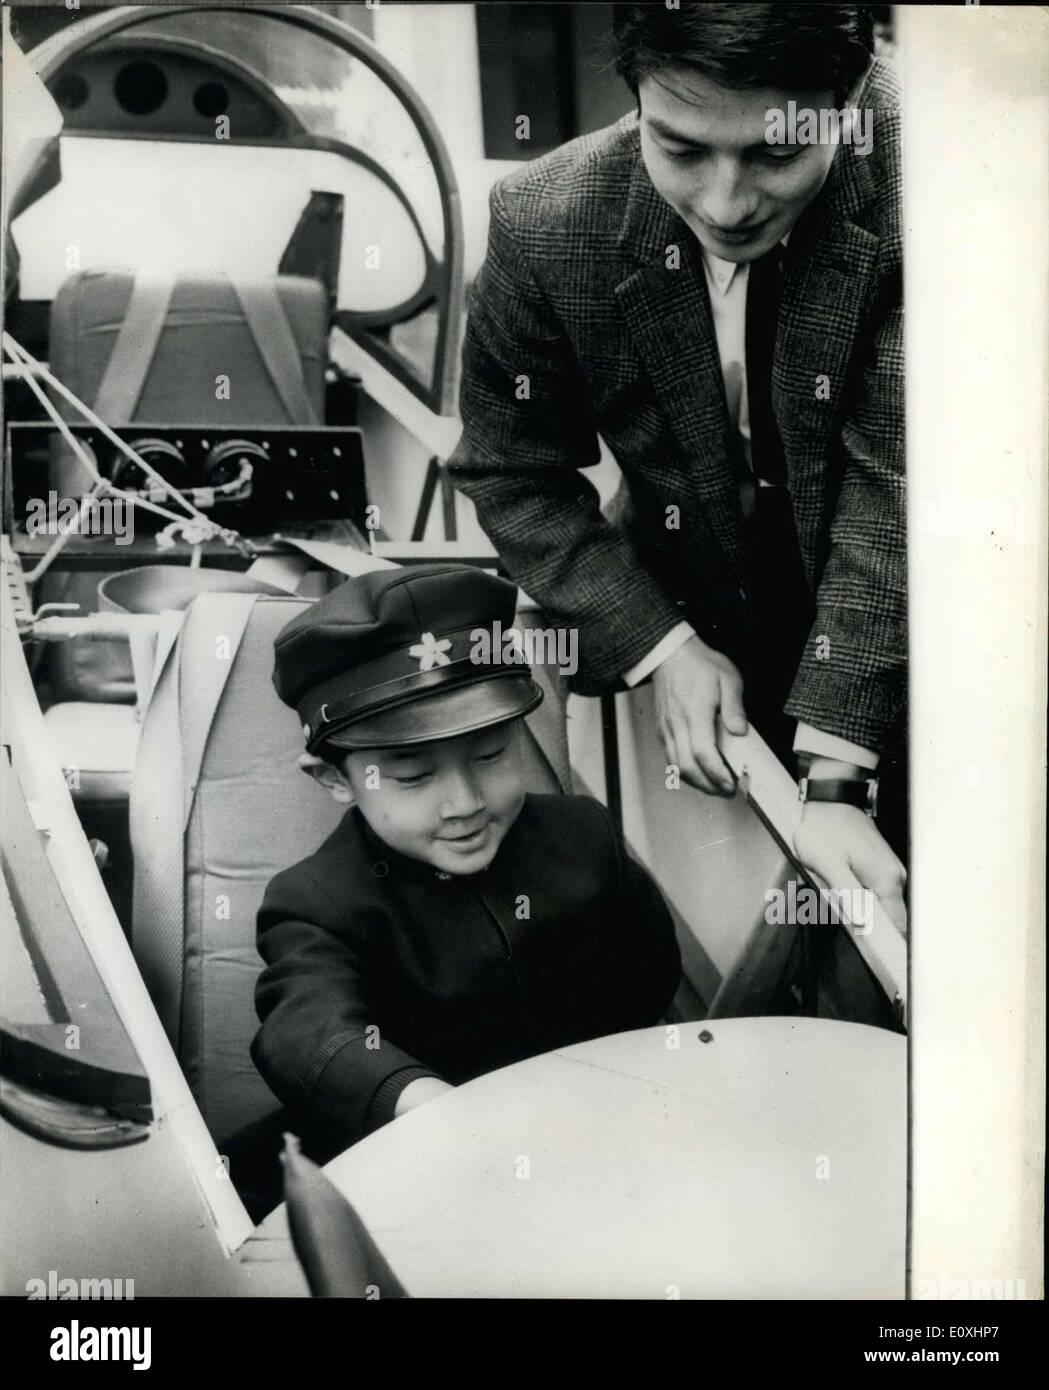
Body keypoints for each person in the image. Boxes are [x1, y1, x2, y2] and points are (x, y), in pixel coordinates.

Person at [447, 3, 908, 933]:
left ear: (850, 97)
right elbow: (512, 467)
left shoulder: (957, 182)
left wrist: (835, 772)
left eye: (776, 155)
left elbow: (897, 484)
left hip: (941, 631)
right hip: (701, 616)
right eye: (680, 147)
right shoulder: (544, 222)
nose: (726, 203)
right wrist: (660, 645)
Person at [252, 563, 682, 1156]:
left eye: (490, 754)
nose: (465, 804)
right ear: (335, 778)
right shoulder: (314, 904)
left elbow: (650, 975)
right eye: (413, 775)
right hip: (427, 1156)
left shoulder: (584, 835)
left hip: (593, 1132)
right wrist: (425, 1104)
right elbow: (308, 1033)